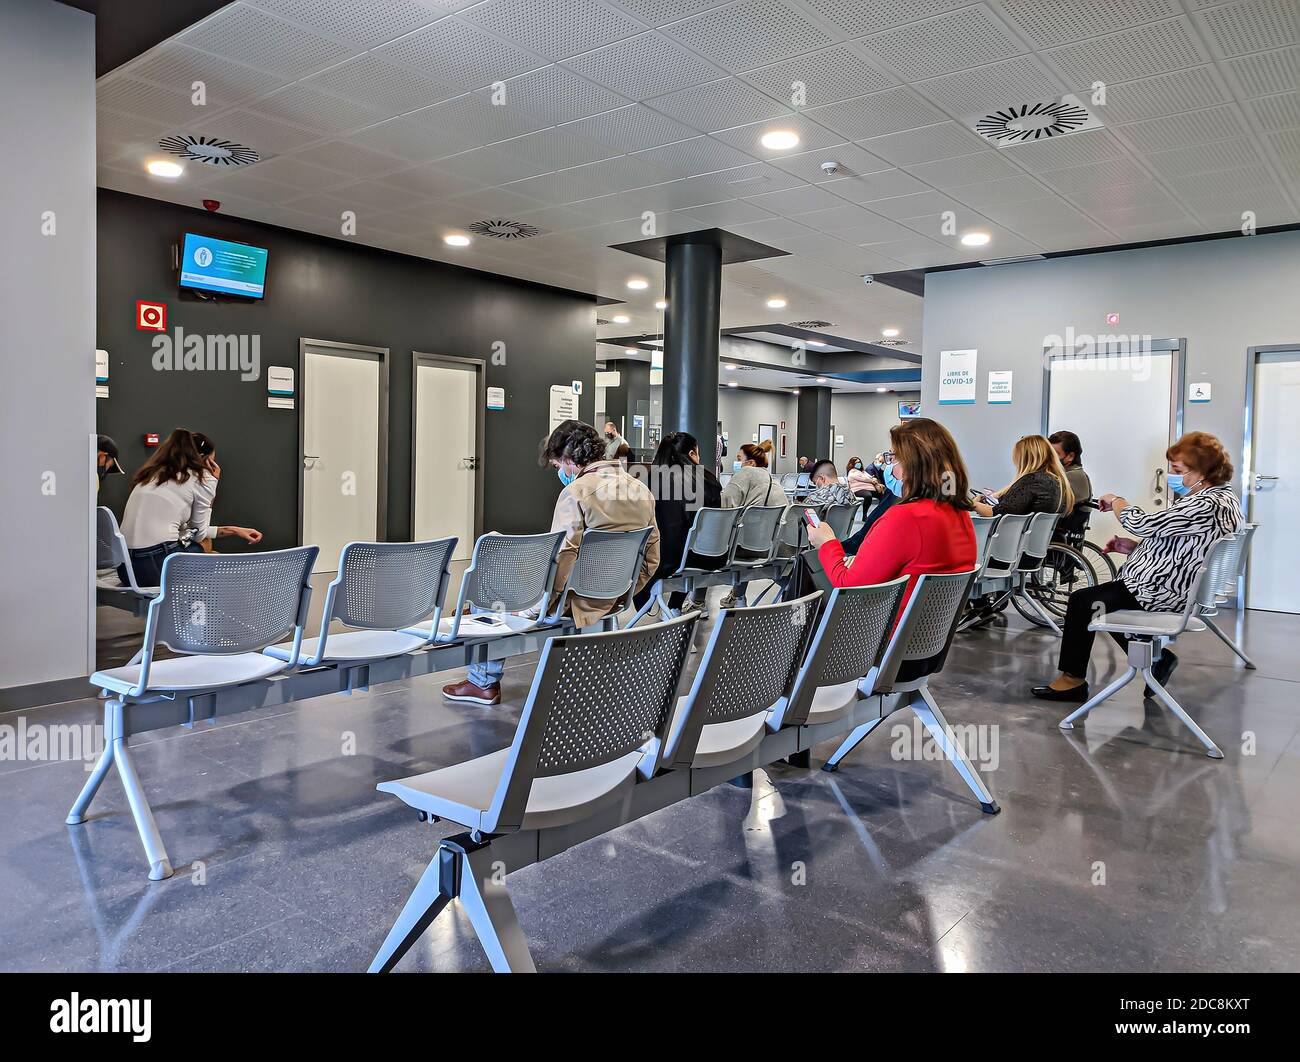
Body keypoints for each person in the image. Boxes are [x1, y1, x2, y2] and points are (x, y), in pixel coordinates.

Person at [443, 420, 660, 706]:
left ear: (569, 460)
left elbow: (562, 558)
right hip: (613, 596)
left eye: (558, 466)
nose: (559, 472)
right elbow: (652, 556)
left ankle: (482, 682)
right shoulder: (640, 490)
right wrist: (621, 592)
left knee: (488, 584)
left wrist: (538, 606)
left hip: (573, 601)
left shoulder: (576, 493)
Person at [1031, 432, 1242, 703]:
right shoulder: (1224, 498)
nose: (1172, 476)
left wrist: (1118, 501)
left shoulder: (1206, 503)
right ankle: (1157, 661)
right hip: (1173, 584)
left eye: (1178, 470)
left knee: (1083, 602)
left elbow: (1144, 524)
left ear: (1202, 470)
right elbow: (1185, 543)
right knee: (1099, 602)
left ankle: (1072, 681)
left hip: (1161, 590)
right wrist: (1134, 548)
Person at [807, 418, 976, 678]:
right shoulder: (960, 516)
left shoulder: (906, 518)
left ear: (912, 465)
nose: (891, 466)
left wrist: (826, 543)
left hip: (883, 650)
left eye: (895, 458)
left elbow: (848, 584)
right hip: (927, 649)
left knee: (798, 619)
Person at [118, 429, 263, 586]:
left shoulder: (151, 476)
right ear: (203, 460)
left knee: (208, 553)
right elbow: (199, 534)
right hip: (156, 567)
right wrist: (212, 484)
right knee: (207, 545)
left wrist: (233, 530)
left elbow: (185, 531)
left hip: (127, 570)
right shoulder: (199, 479)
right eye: (212, 462)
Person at [632, 430, 721, 614]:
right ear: (691, 454)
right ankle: (674, 606)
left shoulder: (652, 479)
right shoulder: (709, 479)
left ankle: (648, 609)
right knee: (684, 545)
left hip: (666, 560)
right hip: (708, 556)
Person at [972, 434, 1072, 518]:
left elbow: (999, 513)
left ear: (1025, 458)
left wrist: (972, 504)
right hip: (1036, 538)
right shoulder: (1056, 481)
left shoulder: (1032, 480)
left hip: (1014, 539)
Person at [722, 439, 790, 509]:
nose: (737, 462)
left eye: (739, 459)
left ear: (751, 463)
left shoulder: (745, 472)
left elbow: (727, 504)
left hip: (752, 519)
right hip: (777, 519)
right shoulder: (771, 479)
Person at [1048, 429, 1093, 536]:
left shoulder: (1072, 476)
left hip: (1060, 533)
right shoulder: (1075, 474)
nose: (1050, 459)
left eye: (1055, 454)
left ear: (1070, 456)